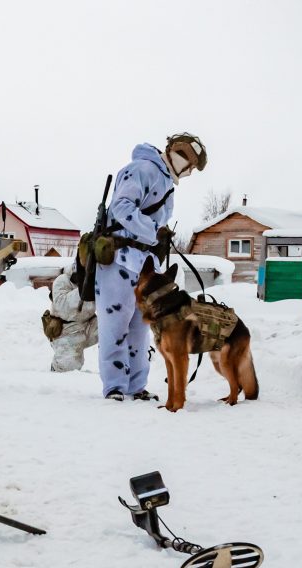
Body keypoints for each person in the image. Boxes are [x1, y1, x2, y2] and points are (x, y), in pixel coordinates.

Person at [96, 133, 206, 401]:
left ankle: (136, 386)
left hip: (143, 264)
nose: (189, 172)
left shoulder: (165, 181)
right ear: (181, 156)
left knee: (140, 328)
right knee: (115, 327)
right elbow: (122, 207)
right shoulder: (143, 169)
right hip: (119, 259)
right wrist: (154, 231)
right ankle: (115, 387)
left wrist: (158, 237)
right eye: (190, 166)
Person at [47, 263, 98, 372]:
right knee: (68, 366)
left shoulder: (97, 283)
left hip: (89, 325)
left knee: (117, 330)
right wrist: (85, 288)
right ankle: (56, 368)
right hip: (67, 330)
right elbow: (63, 307)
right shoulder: (62, 280)